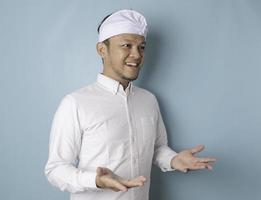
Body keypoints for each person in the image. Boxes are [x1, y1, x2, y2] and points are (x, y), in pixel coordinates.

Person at [44, 9, 216, 200]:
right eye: (127, 45)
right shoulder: (75, 103)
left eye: (141, 47)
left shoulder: (148, 100)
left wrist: (174, 160)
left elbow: (157, 149)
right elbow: (56, 169)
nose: (136, 55)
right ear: (102, 49)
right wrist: (95, 180)